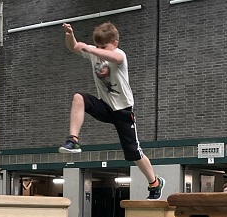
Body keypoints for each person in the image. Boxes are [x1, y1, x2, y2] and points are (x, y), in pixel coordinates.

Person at [58, 22, 165, 200]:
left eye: (103, 47)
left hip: (123, 111)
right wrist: (70, 34)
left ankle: (155, 183)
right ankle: (73, 140)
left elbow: (113, 58)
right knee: (79, 98)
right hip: (105, 106)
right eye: (97, 46)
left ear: (114, 43)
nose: (99, 49)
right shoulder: (95, 53)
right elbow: (74, 47)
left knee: (134, 152)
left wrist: (92, 49)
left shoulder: (119, 55)